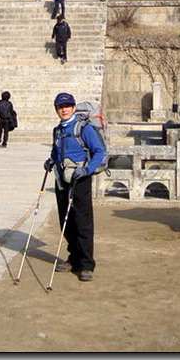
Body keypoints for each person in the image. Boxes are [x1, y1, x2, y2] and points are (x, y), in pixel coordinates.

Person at [43, 92, 105, 282]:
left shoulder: (83, 128)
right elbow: (57, 150)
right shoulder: (58, 130)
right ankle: (74, 258)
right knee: (66, 221)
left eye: (67, 106)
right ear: (56, 109)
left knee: (82, 221)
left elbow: (99, 151)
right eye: (60, 107)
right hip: (62, 179)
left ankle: (86, 264)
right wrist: (51, 160)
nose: (64, 110)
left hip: (80, 179)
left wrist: (87, 170)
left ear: (74, 107)